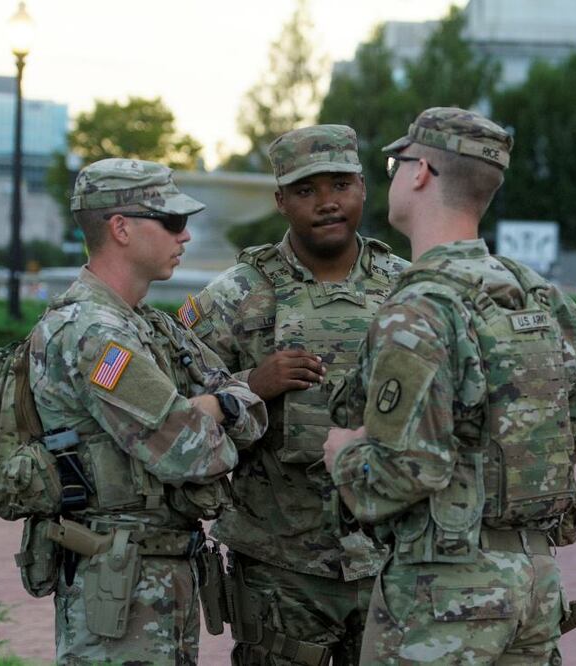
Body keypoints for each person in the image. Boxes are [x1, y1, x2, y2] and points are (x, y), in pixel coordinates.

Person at [322, 107, 576, 664]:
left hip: (444, 589)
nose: (394, 176)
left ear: (420, 171)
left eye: (396, 164)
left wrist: (345, 456)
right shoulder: (538, 297)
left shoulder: (420, 307)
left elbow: (409, 467)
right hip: (535, 580)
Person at [27, 158, 267, 665]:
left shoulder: (149, 325)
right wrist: (215, 410)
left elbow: (248, 409)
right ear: (121, 229)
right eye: (173, 222)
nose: (185, 236)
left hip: (158, 571)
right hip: (118, 583)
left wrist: (215, 405)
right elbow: (188, 455)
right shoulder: (95, 336)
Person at [185, 125, 408, 665]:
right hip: (278, 565)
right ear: (280, 200)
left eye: (339, 185)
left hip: (392, 557)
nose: (327, 203)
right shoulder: (233, 298)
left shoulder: (409, 289)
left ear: (362, 186)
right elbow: (176, 424)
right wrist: (250, 388)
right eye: (306, 191)